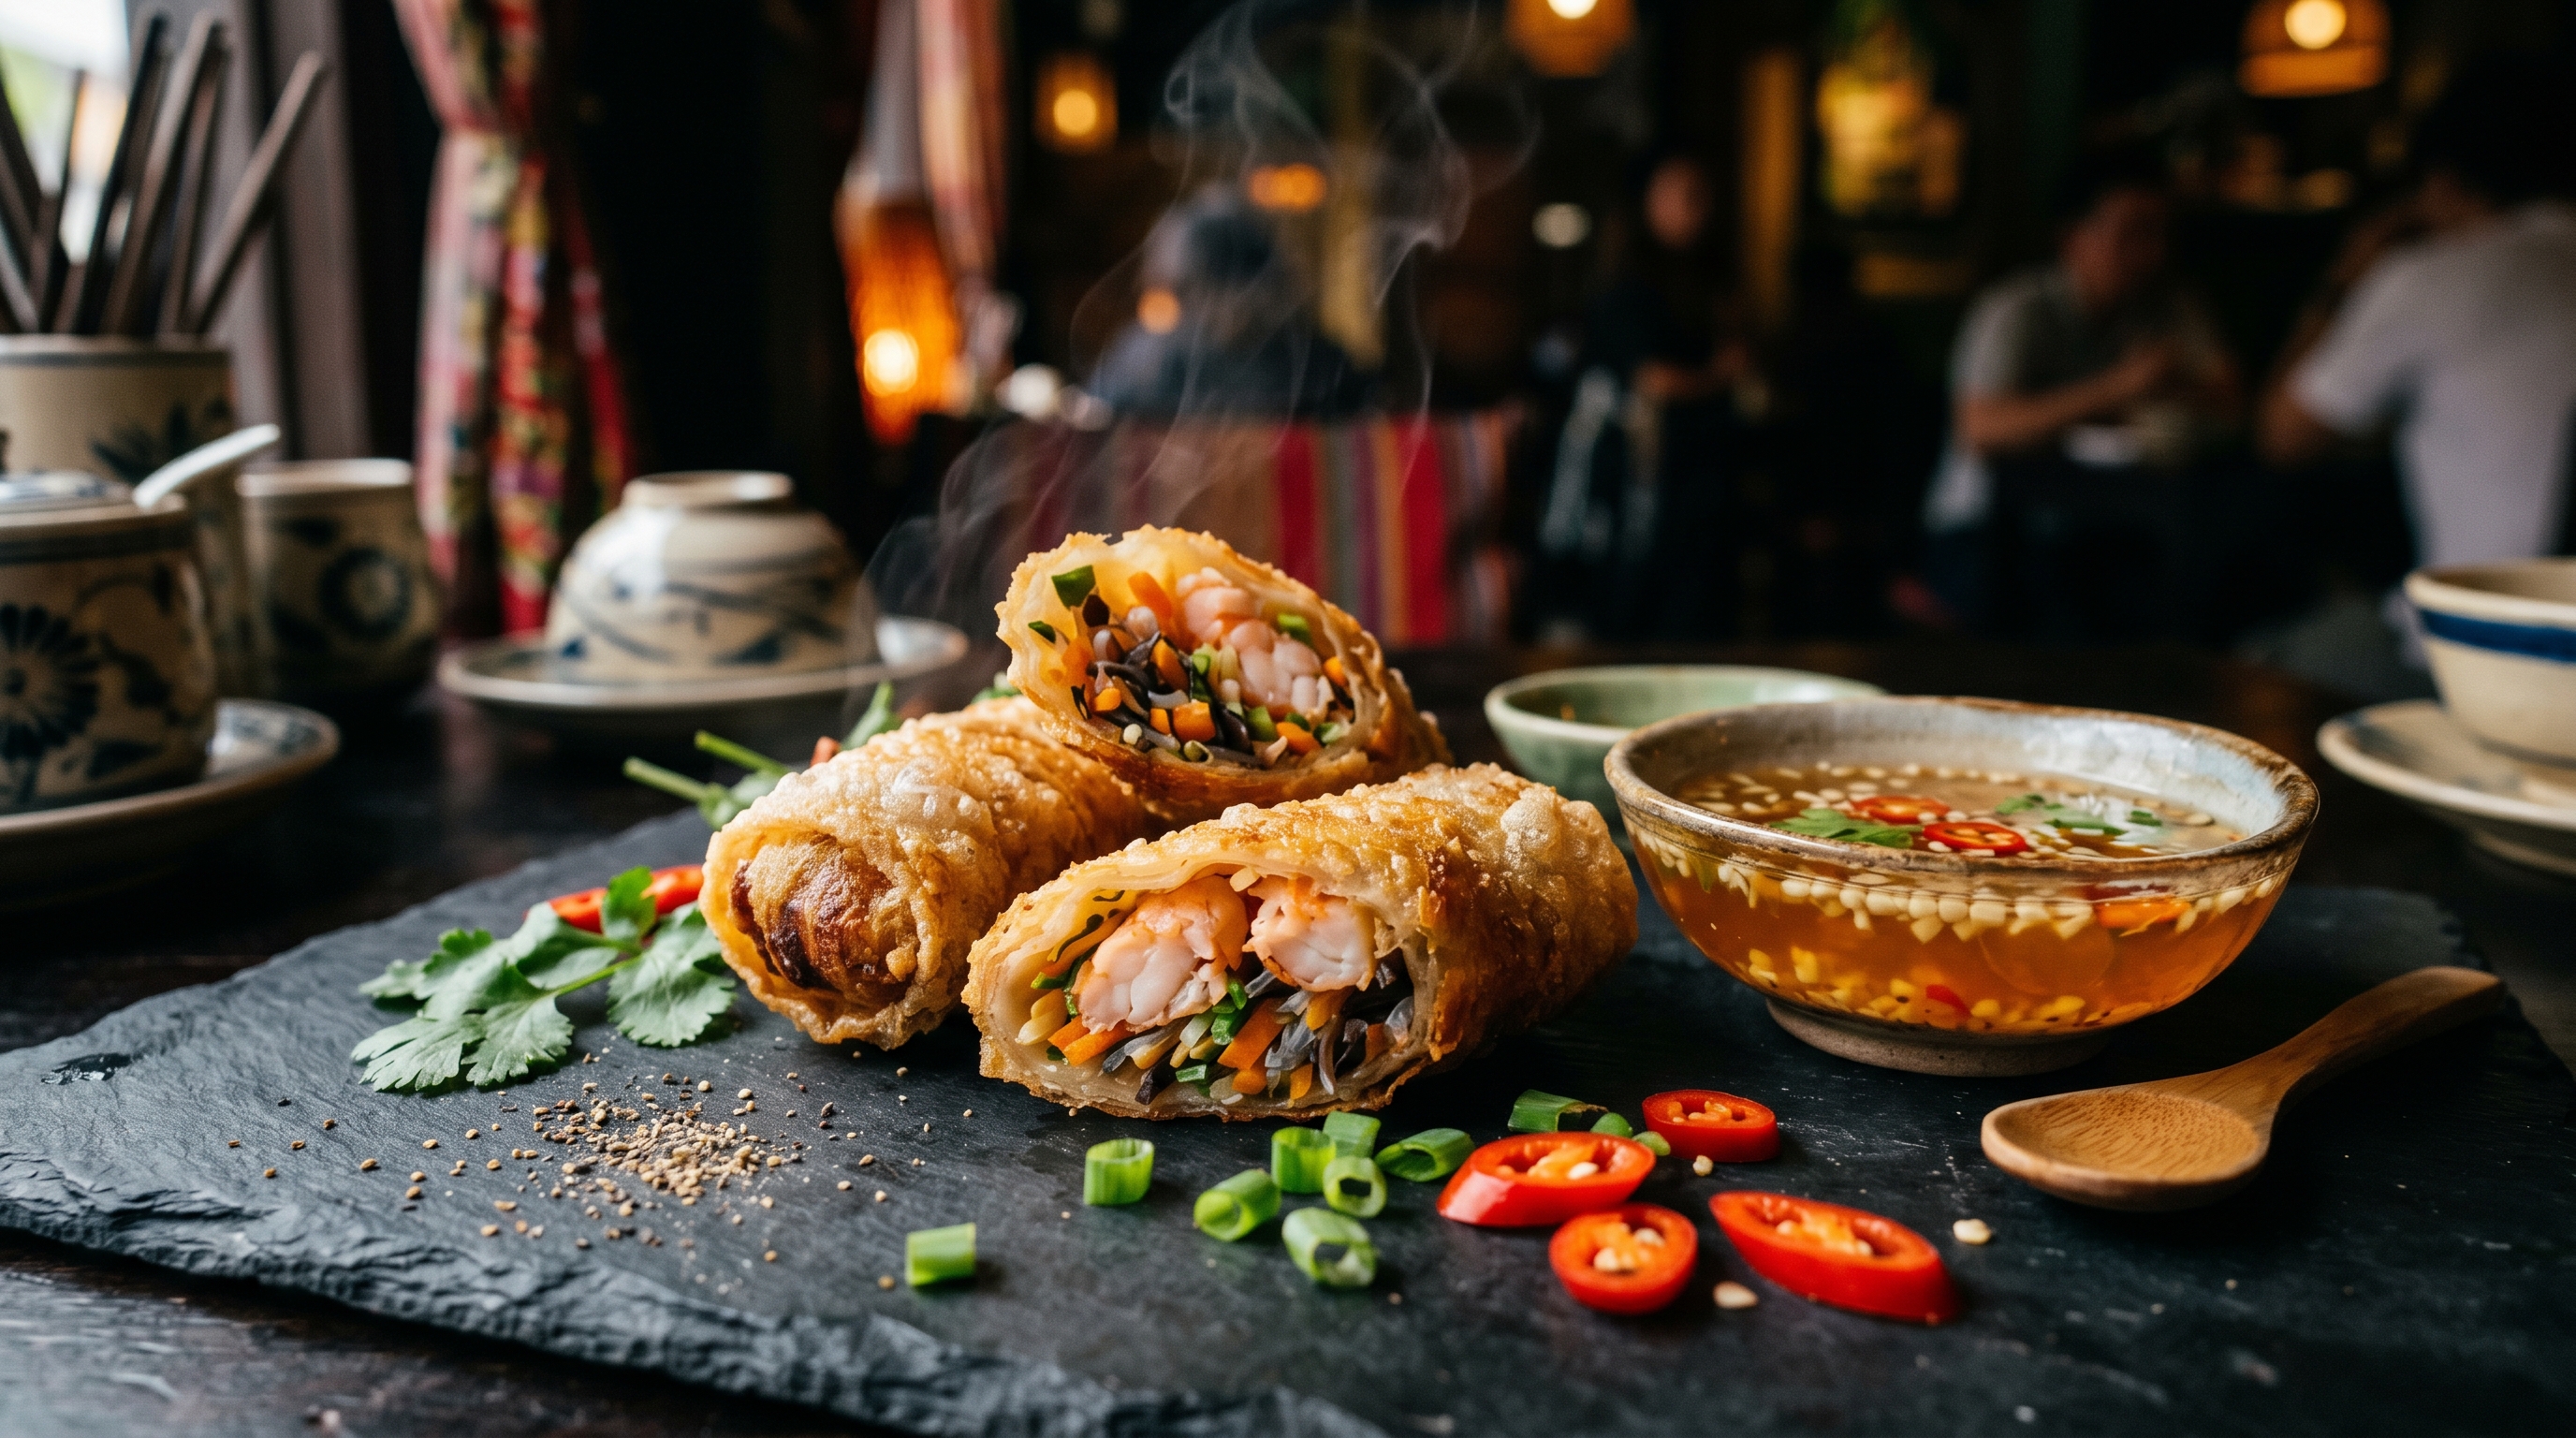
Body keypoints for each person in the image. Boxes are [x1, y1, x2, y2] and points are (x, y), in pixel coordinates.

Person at [2261, 61, 2576, 594]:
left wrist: (2343, 279)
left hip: (2483, 627)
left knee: (2281, 631)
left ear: (2441, 182)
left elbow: (2282, 438)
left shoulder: (2427, 278)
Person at [1917, 149, 2239, 634]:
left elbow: (2233, 405)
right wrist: (2120, 387)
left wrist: (2178, 386)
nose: (2149, 253)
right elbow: (1979, 428)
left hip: (2108, 525)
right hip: (1980, 532)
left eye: (2158, 233)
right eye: (2131, 233)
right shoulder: (2017, 309)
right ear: (2073, 236)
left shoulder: (2164, 306)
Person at [1536, 153, 1752, 638]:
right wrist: (1718, 375)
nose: (1691, 209)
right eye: (1677, 194)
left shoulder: (1708, 281)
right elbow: (1651, 379)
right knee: (1634, 607)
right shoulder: (1628, 286)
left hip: (1696, 475)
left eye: (1698, 196)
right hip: (1634, 480)